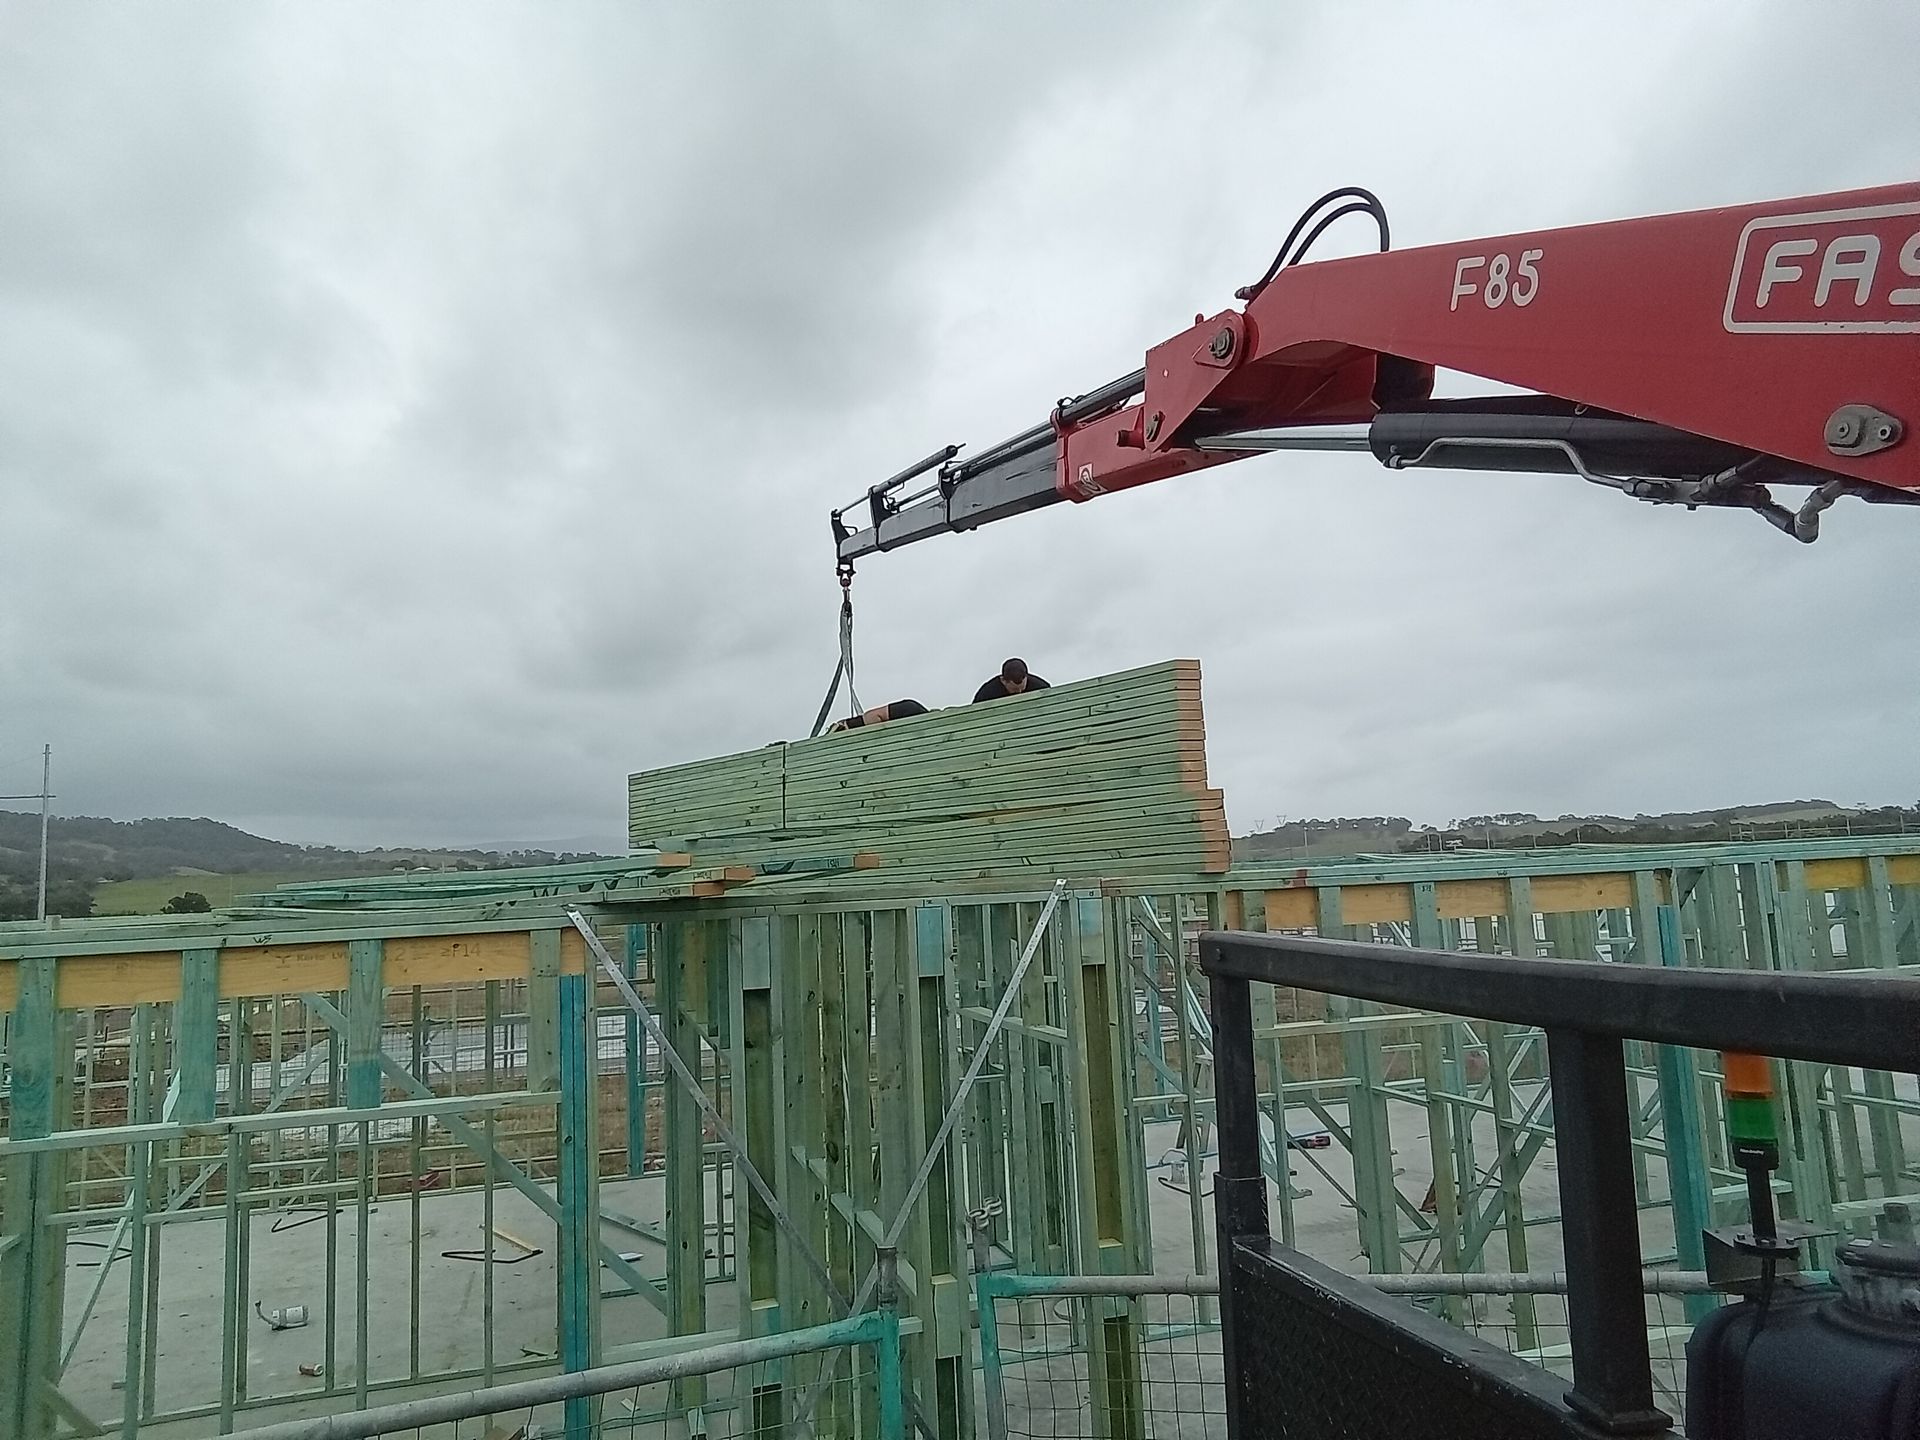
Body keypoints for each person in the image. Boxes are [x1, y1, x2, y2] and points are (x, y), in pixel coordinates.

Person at [972, 658, 1050, 703]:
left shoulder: (1042, 688)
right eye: (1014, 691)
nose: (1019, 693)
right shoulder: (986, 694)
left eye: (1022, 689)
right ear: (1003, 681)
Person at [829, 699, 929, 731]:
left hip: (906, 710)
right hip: (908, 707)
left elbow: (878, 722)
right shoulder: (867, 716)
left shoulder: (868, 718)